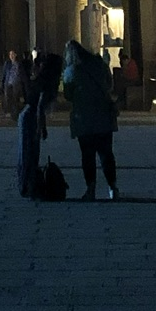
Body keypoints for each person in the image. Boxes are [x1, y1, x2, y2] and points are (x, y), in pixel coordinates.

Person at [62, 40, 120, 200]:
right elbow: (109, 85)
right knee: (106, 153)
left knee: (88, 155)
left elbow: (67, 95)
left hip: (84, 118)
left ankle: (91, 188)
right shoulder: (99, 64)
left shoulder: (72, 70)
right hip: (103, 115)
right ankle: (113, 187)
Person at [0, 50, 24, 118]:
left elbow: (21, 75)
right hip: (8, 83)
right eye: (10, 54)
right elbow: (4, 74)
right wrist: (2, 83)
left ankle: (15, 112)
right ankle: (8, 112)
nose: (11, 56)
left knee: (15, 98)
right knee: (7, 98)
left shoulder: (19, 64)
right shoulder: (7, 64)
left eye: (13, 54)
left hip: (16, 83)